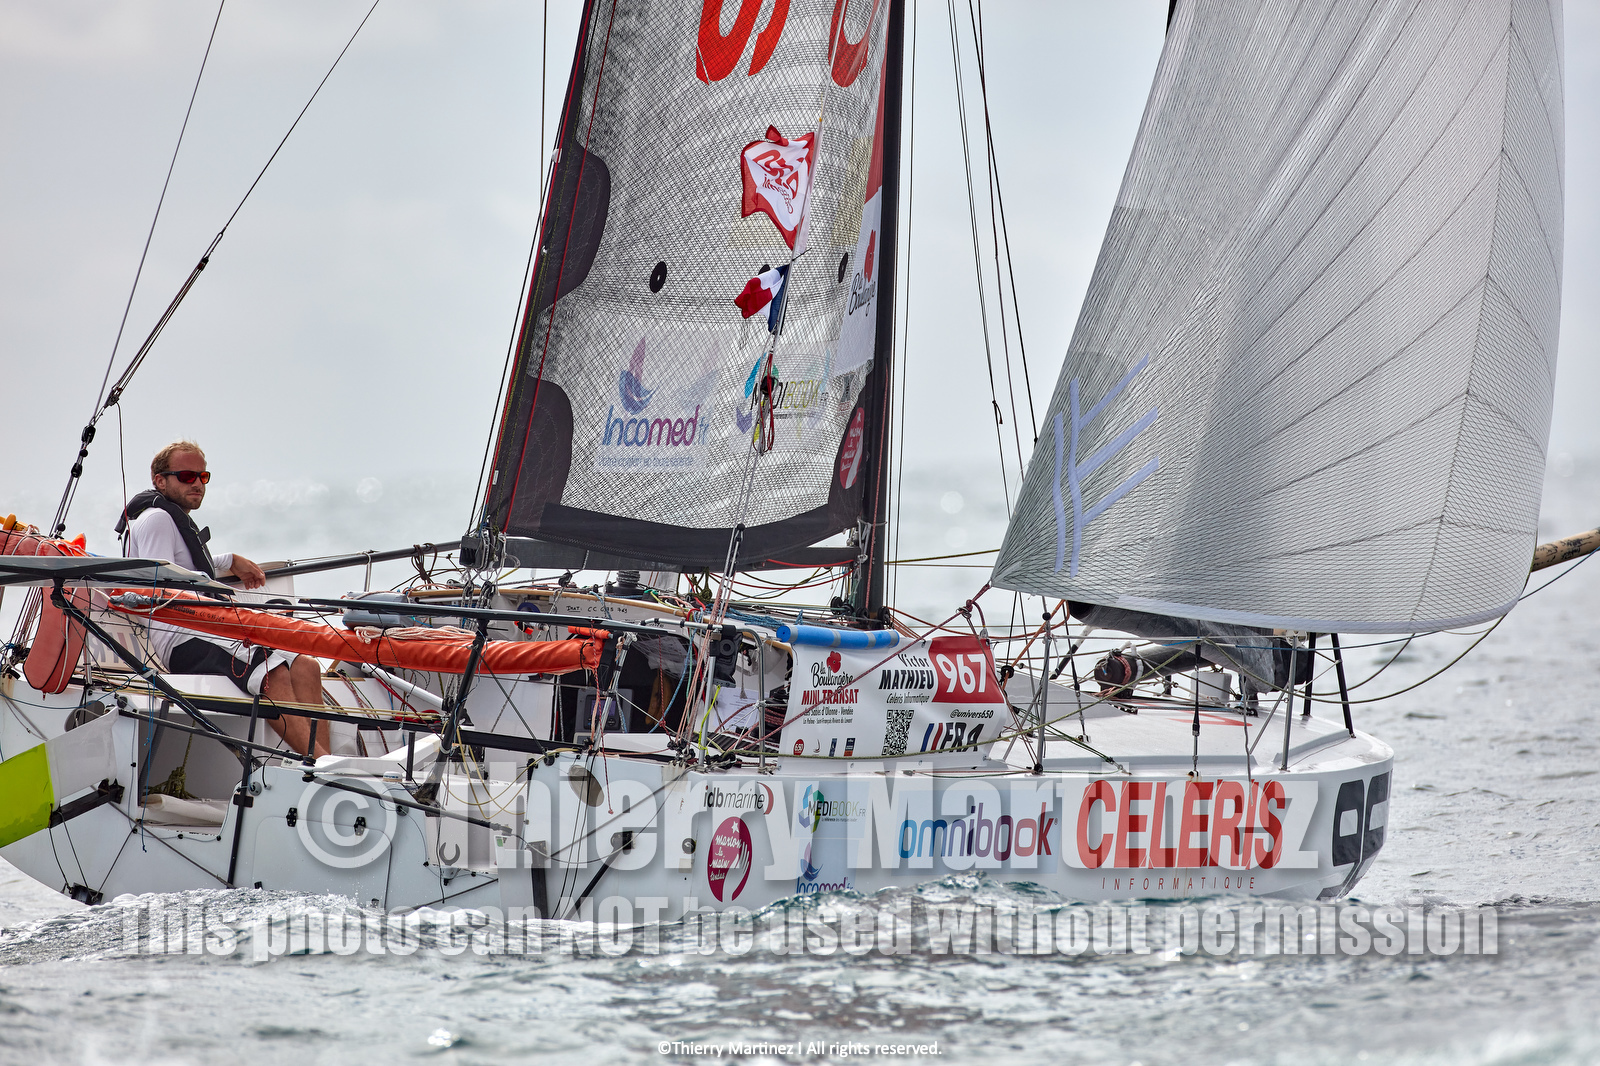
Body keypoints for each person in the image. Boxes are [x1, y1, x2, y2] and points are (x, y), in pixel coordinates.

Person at [117, 440, 328, 756]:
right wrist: (207, 584)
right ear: (159, 480)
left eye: (204, 477)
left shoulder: (171, 519)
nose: (198, 484)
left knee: (306, 666)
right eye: (187, 476)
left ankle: (328, 762)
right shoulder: (156, 519)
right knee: (271, 671)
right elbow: (158, 582)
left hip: (210, 627)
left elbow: (183, 561)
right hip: (180, 638)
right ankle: (322, 767)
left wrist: (229, 560)